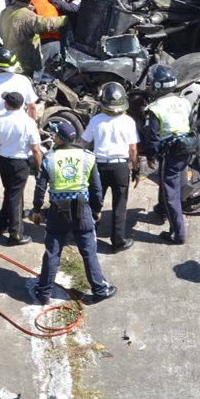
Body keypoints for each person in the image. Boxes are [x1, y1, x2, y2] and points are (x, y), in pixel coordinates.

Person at [31, 120, 117, 305]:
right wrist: (97, 209)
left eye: (54, 135)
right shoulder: (88, 157)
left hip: (57, 210)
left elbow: (40, 188)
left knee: (53, 251)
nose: (52, 137)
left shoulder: (49, 158)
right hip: (82, 208)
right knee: (88, 251)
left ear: (60, 139)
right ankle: (99, 290)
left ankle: (44, 292)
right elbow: (96, 187)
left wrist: (37, 210)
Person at [81, 82, 139, 253]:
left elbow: (84, 142)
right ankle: (117, 241)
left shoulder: (96, 120)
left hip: (98, 166)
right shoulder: (128, 121)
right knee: (119, 205)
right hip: (120, 167)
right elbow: (133, 149)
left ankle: (88, 237)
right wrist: (135, 169)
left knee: (94, 202)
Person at [143, 64, 196, 245]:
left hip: (171, 153)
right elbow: (191, 124)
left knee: (170, 192)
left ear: (157, 86)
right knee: (177, 184)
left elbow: (152, 137)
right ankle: (162, 210)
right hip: (187, 149)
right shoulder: (184, 102)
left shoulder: (154, 108)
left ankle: (177, 234)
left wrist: (151, 156)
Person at [0, 91, 43, 245]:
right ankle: (16, 234)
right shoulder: (29, 123)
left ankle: (0, 226)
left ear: (7, 104)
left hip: (1, 161)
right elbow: (36, 149)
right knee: (15, 198)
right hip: (19, 164)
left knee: (10, 194)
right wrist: (39, 168)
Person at [0, 0, 66, 77]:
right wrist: (64, 19)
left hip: (9, 56)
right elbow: (45, 24)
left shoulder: (5, 11)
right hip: (22, 62)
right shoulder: (27, 15)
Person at [28, 0, 64, 64]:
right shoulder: (49, 3)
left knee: (36, 75)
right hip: (56, 44)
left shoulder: (33, 2)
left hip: (43, 44)